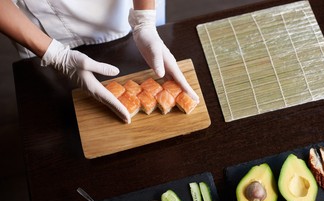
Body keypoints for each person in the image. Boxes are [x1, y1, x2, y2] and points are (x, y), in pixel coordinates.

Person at [0, 0, 199, 123]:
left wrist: (144, 20)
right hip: (38, 32)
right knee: (62, 108)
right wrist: (56, 55)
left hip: (129, 8)